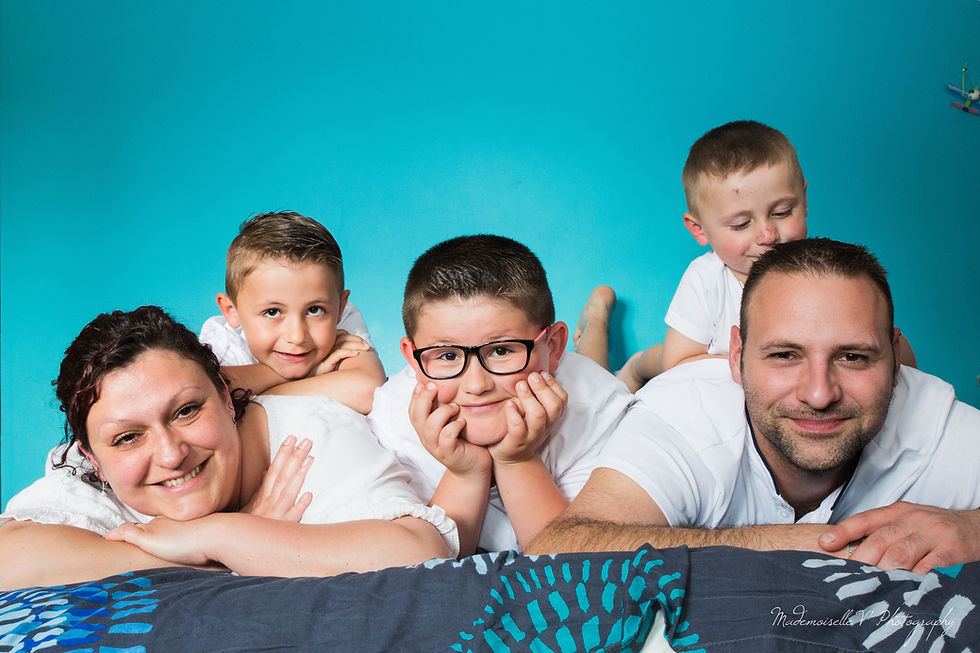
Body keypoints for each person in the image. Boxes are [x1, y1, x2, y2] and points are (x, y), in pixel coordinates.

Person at [528, 238, 980, 574]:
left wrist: (972, 530)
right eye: (784, 355)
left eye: (853, 357)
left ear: (895, 357)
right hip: (629, 394)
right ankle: (597, 324)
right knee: (596, 377)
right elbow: (556, 549)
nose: (819, 395)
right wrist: (790, 544)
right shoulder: (683, 416)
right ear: (736, 358)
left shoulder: (935, 423)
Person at [0, 306, 456, 590]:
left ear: (224, 394)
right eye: (128, 437)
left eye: (186, 411)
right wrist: (220, 558)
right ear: (92, 459)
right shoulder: (92, 475)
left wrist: (215, 535)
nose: (171, 454)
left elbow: (419, 551)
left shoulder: (309, 434)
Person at [576, 121, 915, 392]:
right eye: (741, 224)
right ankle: (606, 333)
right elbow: (678, 364)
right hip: (686, 362)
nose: (767, 235)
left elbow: (902, 360)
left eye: (783, 212)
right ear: (700, 230)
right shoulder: (706, 278)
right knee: (601, 401)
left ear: (804, 200)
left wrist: (886, 357)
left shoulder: (824, 274)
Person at [368, 235, 634, 556]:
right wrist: (464, 474)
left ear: (552, 346)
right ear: (413, 360)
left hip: (580, 378)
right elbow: (421, 566)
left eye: (502, 350)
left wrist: (518, 460)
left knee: (594, 369)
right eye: (448, 356)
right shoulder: (389, 419)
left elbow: (577, 566)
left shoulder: (602, 409)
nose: (476, 385)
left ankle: (597, 324)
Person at [199, 211, 386, 414]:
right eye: (272, 312)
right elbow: (206, 394)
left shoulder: (344, 323)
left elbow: (367, 390)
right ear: (231, 312)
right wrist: (306, 374)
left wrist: (249, 398)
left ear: (340, 308)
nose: (297, 337)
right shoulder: (223, 338)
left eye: (314, 310)